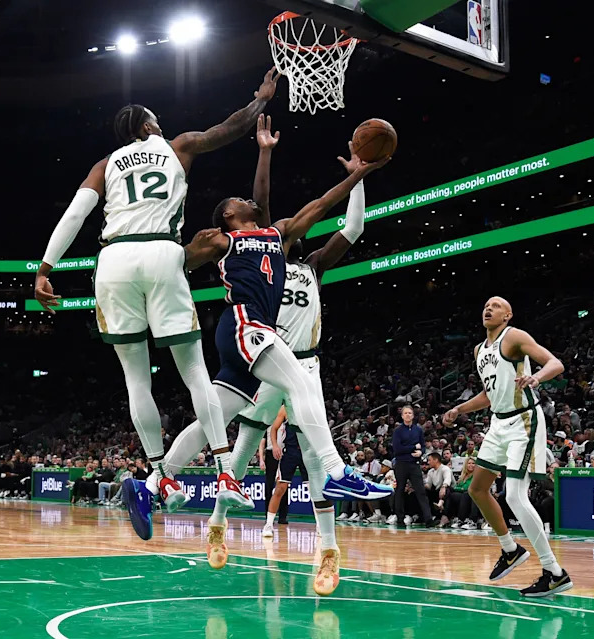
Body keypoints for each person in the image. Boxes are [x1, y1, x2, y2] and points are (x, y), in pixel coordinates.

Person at [34, 69, 285, 536]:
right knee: (192, 371)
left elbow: (75, 213)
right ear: (147, 127)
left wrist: (45, 268)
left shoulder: (104, 164)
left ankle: (159, 474)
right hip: (161, 252)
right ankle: (225, 470)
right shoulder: (177, 146)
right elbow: (228, 129)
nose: (161, 123)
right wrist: (259, 100)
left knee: (135, 377)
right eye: (156, 119)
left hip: (112, 260)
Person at [146, 121, 392, 587]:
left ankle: (328, 551)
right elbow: (259, 207)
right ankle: (216, 524)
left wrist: (360, 174)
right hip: (259, 347)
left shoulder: (308, 259)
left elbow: (332, 213)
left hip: (299, 356)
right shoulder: (251, 238)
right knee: (236, 447)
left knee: (303, 455)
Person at [443, 297, 572, 597]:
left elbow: (555, 363)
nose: (488, 308)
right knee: (476, 489)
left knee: (514, 494)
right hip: (498, 424)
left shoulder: (513, 336)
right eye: (485, 304)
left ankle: (555, 572)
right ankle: (510, 549)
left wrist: (536, 377)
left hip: (523, 421)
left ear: (508, 314)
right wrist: (459, 409)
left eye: (496, 305)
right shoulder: (478, 350)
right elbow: (489, 395)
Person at [262, 407, 311, 538]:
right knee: (280, 488)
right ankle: (268, 525)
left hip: (307, 451)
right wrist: (275, 445)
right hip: (290, 451)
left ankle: (321, 526)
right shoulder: (286, 408)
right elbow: (274, 428)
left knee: (314, 490)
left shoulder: (310, 404)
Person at [390, 405, 434, 527]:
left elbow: (423, 446)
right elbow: (397, 449)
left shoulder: (418, 430)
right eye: (406, 413)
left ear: (413, 415)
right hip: (401, 464)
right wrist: (414, 448)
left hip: (414, 464)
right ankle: (400, 518)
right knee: (400, 490)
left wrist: (421, 452)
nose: (408, 415)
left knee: (421, 491)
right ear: (402, 415)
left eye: (410, 413)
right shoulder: (398, 431)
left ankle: (428, 518)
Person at [424, 452, 454, 527]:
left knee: (446, 489)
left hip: (449, 490)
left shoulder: (445, 468)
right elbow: (428, 485)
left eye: (429, 460)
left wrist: (443, 487)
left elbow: (447, 481)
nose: (428, 462)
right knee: (423, 492)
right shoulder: (431, 471)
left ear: (436, 460)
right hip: (437, 490)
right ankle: (425, 516)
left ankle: (441, 504)